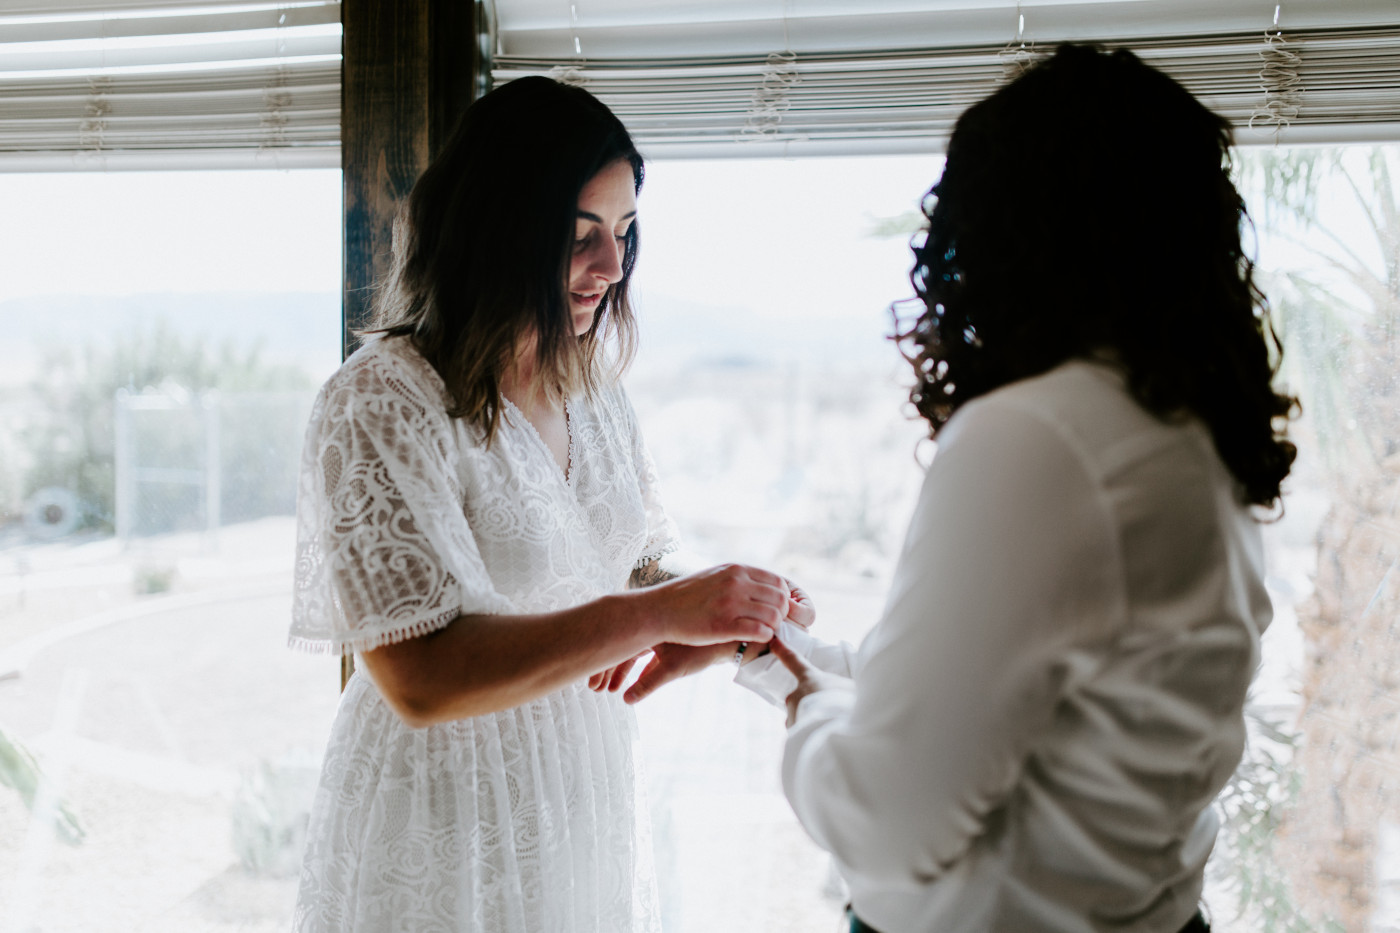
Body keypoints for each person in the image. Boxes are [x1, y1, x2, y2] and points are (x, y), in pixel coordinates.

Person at [752, 44, 1298, 933]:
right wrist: (774, 657)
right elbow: (1000, 687)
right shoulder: (1189, 437)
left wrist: (810, 718)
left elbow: (891, 821)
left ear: (1012, 234)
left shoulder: (1043, 435)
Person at [287, 76, 808, 933]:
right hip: (445, 809)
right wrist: (659, 611)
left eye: (625, 233)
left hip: (580, 787)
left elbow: (622, 566)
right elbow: (420, 676)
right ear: (496, 230)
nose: (612, 267)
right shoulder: (381, 401)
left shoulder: (594, 392)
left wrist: (730, 608)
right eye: (579, 236)